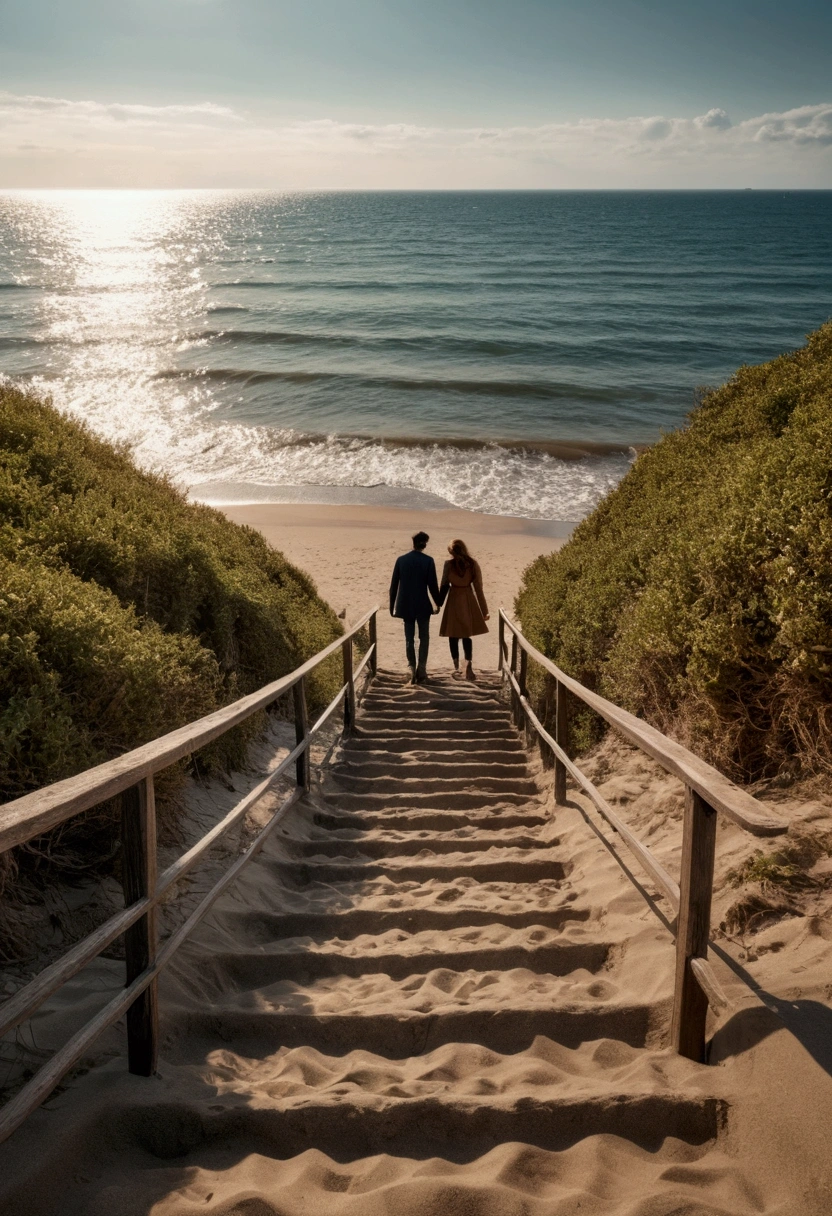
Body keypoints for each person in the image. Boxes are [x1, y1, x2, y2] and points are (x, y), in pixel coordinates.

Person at [389, 530, 441, 684]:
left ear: (413, 543)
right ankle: (422, 669)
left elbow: (394, 586)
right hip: (423, 605)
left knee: (409, 638)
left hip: (405, 604)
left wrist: (392, 606)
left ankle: (411, 667)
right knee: (424, 637)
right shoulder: (428, 561)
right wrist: (438, 603)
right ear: (425, 545)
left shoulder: (401, 560)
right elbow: (433, 586)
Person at [439, 539, 489, 681]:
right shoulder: (472, 564)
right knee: (466, 635)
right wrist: (484, 611)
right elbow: (479, 589)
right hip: (467, 599)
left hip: (453, 599)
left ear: (451, 552)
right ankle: (468, 663)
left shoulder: (448, 565)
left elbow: (443, 584)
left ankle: (456, 666)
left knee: (452, 634)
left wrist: (438, 604)